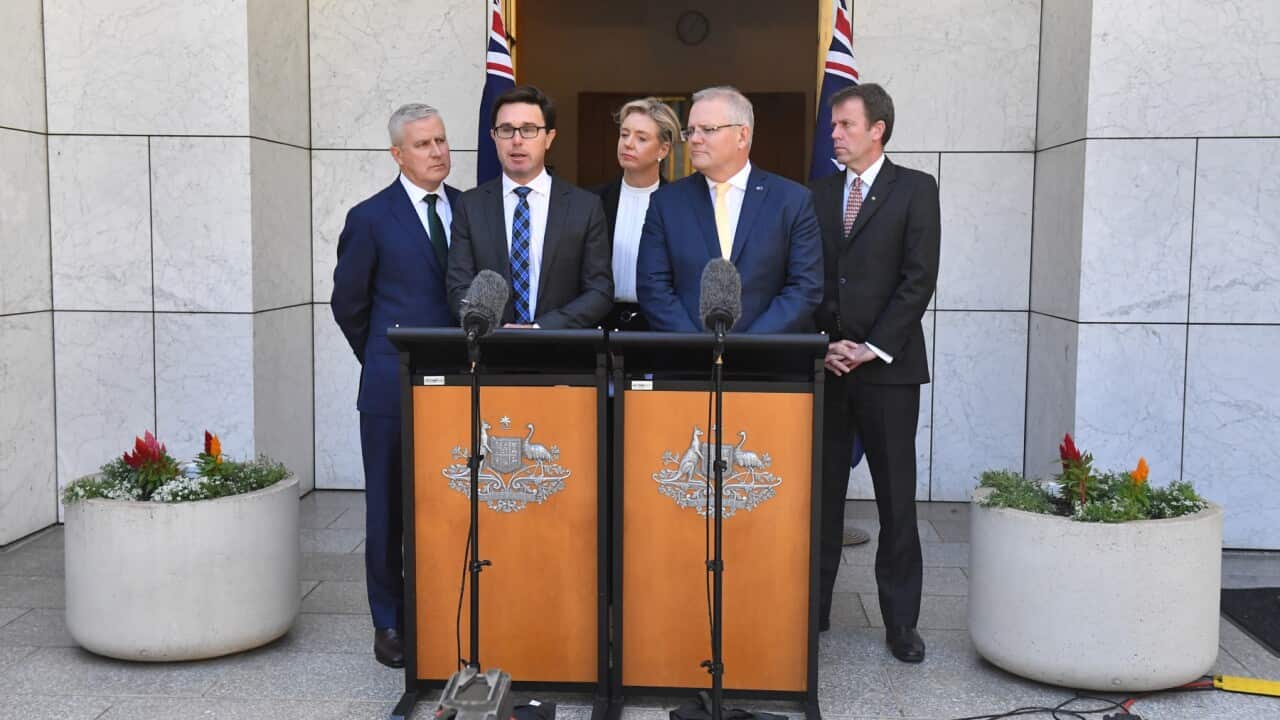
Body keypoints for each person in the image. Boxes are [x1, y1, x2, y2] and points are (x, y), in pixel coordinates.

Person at [809, 83, 940, 663]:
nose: (834, 134)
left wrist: (872, 346)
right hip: (829, 366)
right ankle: (814, 611)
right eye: (834, 125)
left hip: (888, 370)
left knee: (895, 500)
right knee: (822, 498)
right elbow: (808, 275)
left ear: (877, 129)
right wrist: (826, 343)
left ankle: (901, 624)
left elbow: (919, 278)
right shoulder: (816, 194)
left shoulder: (916, 189)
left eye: (845, 125)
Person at [331, 103, 461, 668]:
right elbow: (348, 303)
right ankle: (389, 621)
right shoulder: (370, 217)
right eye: (423, 144)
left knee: (449, 501)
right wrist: (384, 356)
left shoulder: (470, 209)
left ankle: (446, 607)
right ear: (397, 155)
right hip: (391, 386)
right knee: (388, 508)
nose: (437, 152)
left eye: (441, 141)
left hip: (458, 383)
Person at [636, 86, 822, 333]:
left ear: (742, 136)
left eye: (708, 130)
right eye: (690, 131)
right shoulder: (666, 203)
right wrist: (695, 344)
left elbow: (804, 287)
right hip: (687, 353)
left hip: (767, 353)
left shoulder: (791, 201)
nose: (694, 139)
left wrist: (750, 344)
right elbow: (653, 287)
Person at [447, 85, 612, 329]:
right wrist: (494, 328)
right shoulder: (470, 206)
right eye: (506, 130)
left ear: (549, 138)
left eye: (528, 130)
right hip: (491, 346)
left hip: (560, 348)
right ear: (493, 137)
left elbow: (599, 291)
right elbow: (458, 286)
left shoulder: (585, 207)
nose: (517, 140)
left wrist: (540, 329)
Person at [594, 97, 680, 331]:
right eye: (624, 135)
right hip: (600, 325)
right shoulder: (593, 201)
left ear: (663, 149)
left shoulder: (679, 206)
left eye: (641, 138)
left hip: (660, 325)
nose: (628, 144)